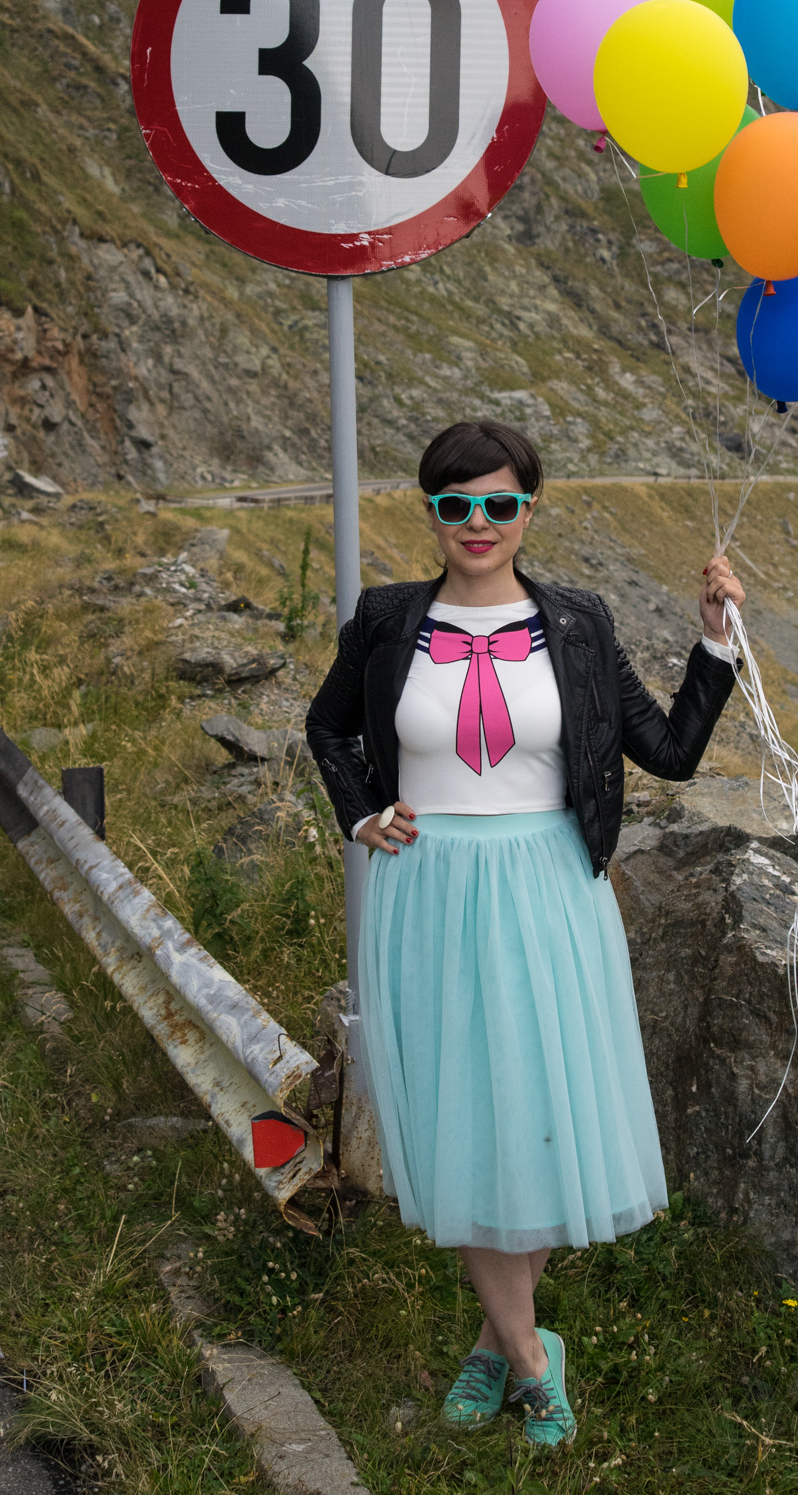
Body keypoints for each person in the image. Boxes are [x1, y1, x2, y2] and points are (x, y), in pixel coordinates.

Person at [305, 418, 744, 1447]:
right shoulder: (384, 620)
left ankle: (501, 1346)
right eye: (456, 504)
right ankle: (537, 1360)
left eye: (500, 503)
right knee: (467, 1112)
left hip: (549, 886)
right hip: (426, 890)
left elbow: (671, 751)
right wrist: (363, 809)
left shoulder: (579, 624)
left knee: (539, 1113)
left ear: (529, 511)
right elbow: (327, 725)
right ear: (432, 512)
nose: (478, 523)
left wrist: (715, 640)